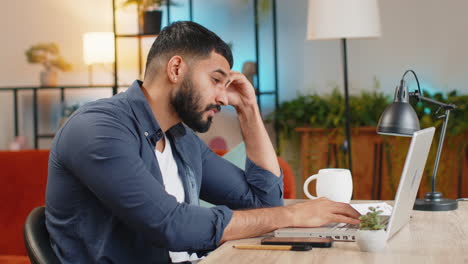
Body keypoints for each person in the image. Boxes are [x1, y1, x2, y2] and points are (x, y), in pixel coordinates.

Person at [46, 21, 360, 264]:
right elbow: (171, 225)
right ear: (176, 68)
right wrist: (294, 215)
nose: (222, 97)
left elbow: (264, 204)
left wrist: (248, 109)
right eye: (215, 80)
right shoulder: (98, 129)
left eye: (226, 85)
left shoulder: (181, 138)